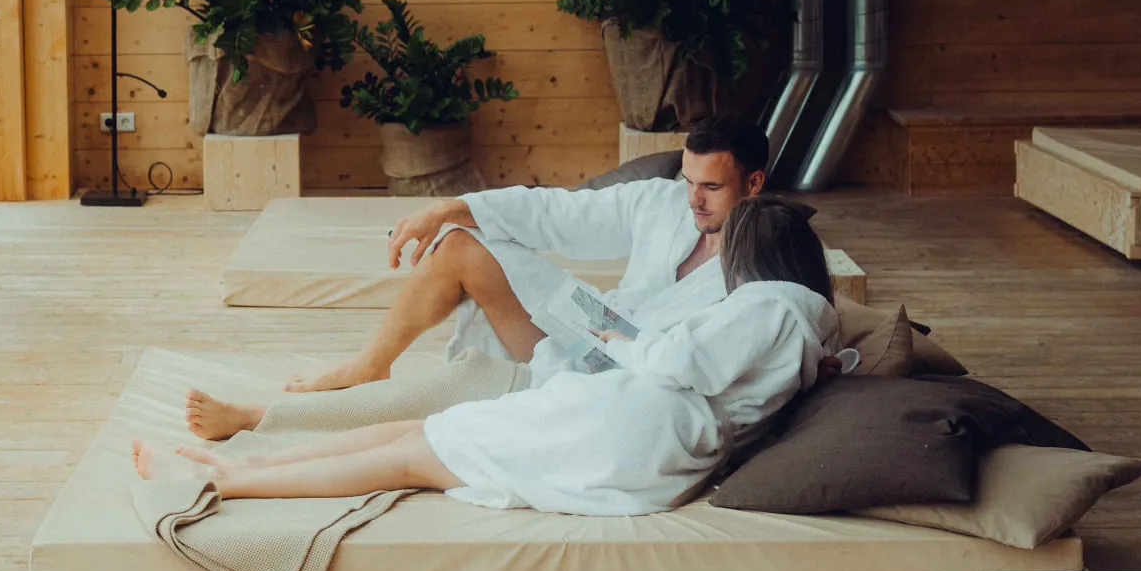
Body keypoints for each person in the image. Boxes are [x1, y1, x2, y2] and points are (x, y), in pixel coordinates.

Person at [134, 196, 839, 515]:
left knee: (415, 455)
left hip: (634, 427)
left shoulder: (769, 305)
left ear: (759, 256)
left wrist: (602, 325)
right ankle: (245, 465)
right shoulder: (805, 324)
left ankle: (218, 486)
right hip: (626, 418)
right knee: (422, 437)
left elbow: (677, 361)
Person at [269, 112, 774, 398]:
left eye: (710, 187)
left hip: (641, 380)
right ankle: (368, 367)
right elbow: (557, 213)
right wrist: (451, 207)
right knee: (460, 244)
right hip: (596, 321)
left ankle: (521, 388)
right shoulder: (660, 201)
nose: (693, 200)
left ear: (753, 183)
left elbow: (801, 319)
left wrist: (824, 360)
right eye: (688, 182)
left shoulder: (772, 254)